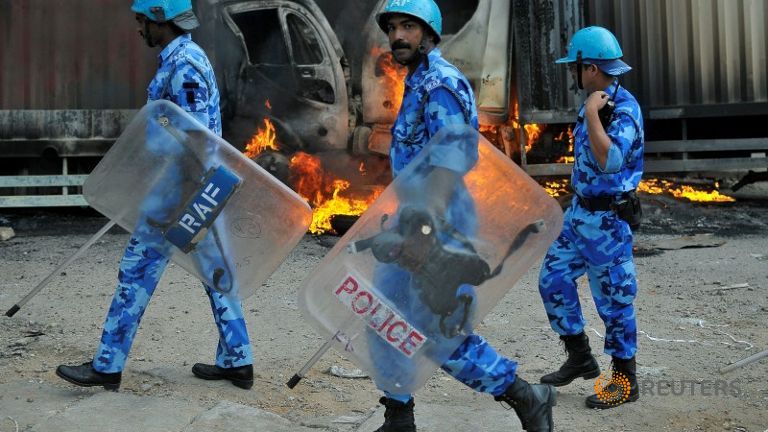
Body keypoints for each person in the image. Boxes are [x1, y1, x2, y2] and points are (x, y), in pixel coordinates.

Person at [369, 1, 556, 431]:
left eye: (408, 27)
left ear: (429, 34)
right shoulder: (417, 81)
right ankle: (399, 413)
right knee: (382, 312)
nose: (398, 36)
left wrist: (422, 231)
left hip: (439, 224)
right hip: (415, 219)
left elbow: (450, 165)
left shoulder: (440, 84)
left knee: (438, 330)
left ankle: (525, 395)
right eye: (393, 27)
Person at [56, 0, 254, 391]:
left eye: (142, 21)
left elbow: (197, 138)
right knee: (216, 276)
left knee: (136, 273)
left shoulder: (185, 64)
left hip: (180, 195)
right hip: (197, 192)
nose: (138, 28)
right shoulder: (180, 58)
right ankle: (237, 360)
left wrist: (170, 196)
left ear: (161, 18)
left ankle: (107, 367)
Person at [537, 26, 644, 409]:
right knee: (552, 280)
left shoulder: (623, 109)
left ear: (591, 67)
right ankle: (579, 356)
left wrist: (594, 116)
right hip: (580, 215)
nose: (572, 74)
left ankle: (624, 379)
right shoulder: (594, 103)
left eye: (575, 67)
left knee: (614, 300)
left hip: (608, 222)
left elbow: (611, 159)